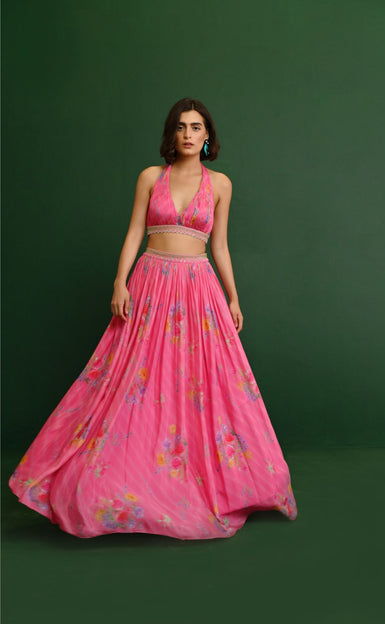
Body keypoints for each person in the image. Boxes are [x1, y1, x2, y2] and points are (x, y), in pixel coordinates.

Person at [8, 97, 298, 540]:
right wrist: (119, 281)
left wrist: (233, 297)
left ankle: (209, 480)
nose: (188, 134)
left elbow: (219, 245)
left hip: (198, 289)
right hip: (149, 285)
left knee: (200, 383)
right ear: (172, 134)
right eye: (181, 127)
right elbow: (134, 233)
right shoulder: (150, 177)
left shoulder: (220, 184)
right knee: (129, 379)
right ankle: (116, 477)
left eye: (196, 127)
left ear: (207, 136)